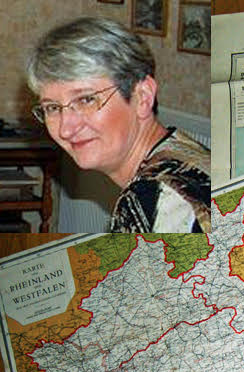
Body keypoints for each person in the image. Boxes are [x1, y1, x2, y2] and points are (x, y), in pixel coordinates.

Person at [27, 17, 210, 232]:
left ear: (142, 97)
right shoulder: (187, 155)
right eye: (52, 108)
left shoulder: (156, 200)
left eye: (86, 99)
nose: (65, 129)